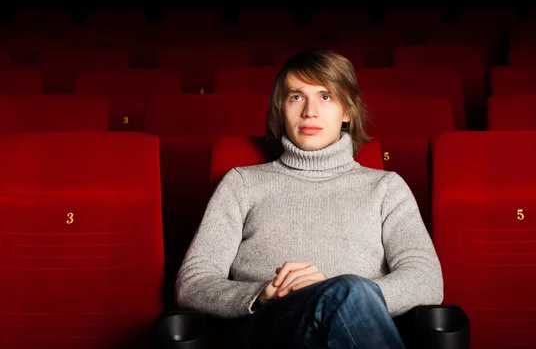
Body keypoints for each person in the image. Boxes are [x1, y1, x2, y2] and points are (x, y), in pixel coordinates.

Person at [175, 49, 444, 348]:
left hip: (357, 331)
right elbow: (193, 284)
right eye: (296, 97)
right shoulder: (242, 183)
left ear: (348, 112)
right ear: (281, 109)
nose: (309, 111)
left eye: (325, 96)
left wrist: (339, 295)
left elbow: (426, 279)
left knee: (345, 293)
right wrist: (264, 293)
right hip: (269, 331)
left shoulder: (386, 187)